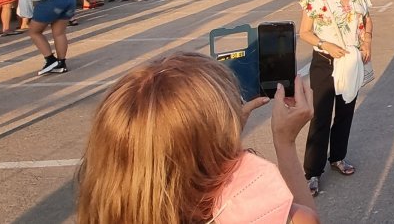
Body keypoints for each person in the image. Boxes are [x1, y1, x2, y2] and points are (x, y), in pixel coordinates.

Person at [75, 52, 319, 224]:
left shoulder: (108, 210)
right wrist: (284, 143)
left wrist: (214, 136)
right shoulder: (278, 217)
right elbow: (306, 217)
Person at [297, 0, 373, 196]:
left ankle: (338, 157)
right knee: (320, 116)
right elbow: (305, 32)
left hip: (351, 61)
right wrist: (324, 45)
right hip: (325, 62)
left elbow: (367, 20)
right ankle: (312, 173)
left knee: (345, 113)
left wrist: (367, 42)